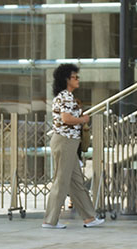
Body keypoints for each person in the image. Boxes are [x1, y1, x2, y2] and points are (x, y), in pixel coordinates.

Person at [43, 63, 104, 229]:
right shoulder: (66, 96)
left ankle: (89, 218)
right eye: (74, 77)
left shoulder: (65, 96)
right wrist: (82, 120)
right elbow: (66, 119)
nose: (78, 79)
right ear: (66, 79)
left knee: (76, 182)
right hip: (65, 141)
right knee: (61, 181)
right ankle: (50, 220)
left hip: (67, 142)